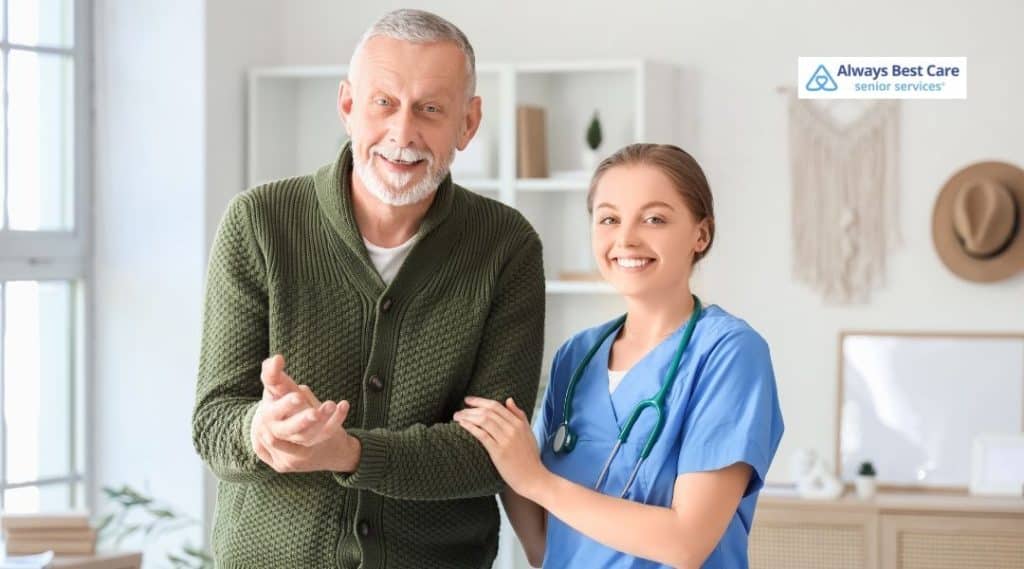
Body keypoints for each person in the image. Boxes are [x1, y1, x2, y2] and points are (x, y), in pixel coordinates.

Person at [191, 9, 546, 569]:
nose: (403, 133)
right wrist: (260, 429)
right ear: (348, 105)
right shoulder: (259, 223)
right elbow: (213, 423)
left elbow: (490, 453)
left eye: (431, 109)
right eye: (384, 102)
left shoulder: (505, 247)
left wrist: (348, 451)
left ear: (468, 123)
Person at [455, 143, 784, 568]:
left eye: (654, 219)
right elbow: (545, 548)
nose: (626, 238)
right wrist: (498, 449)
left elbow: (686, 543)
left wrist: (535, 481)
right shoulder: (576, 358)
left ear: (701, 234)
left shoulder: (729, 353)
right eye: (609, 218)